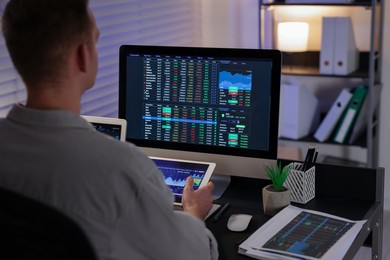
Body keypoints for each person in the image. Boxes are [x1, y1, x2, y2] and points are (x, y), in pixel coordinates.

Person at [0, 0, 218, 259]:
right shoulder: (120, 168)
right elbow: (189, 254)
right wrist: (194, 214)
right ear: (82, 56)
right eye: (95, 39)